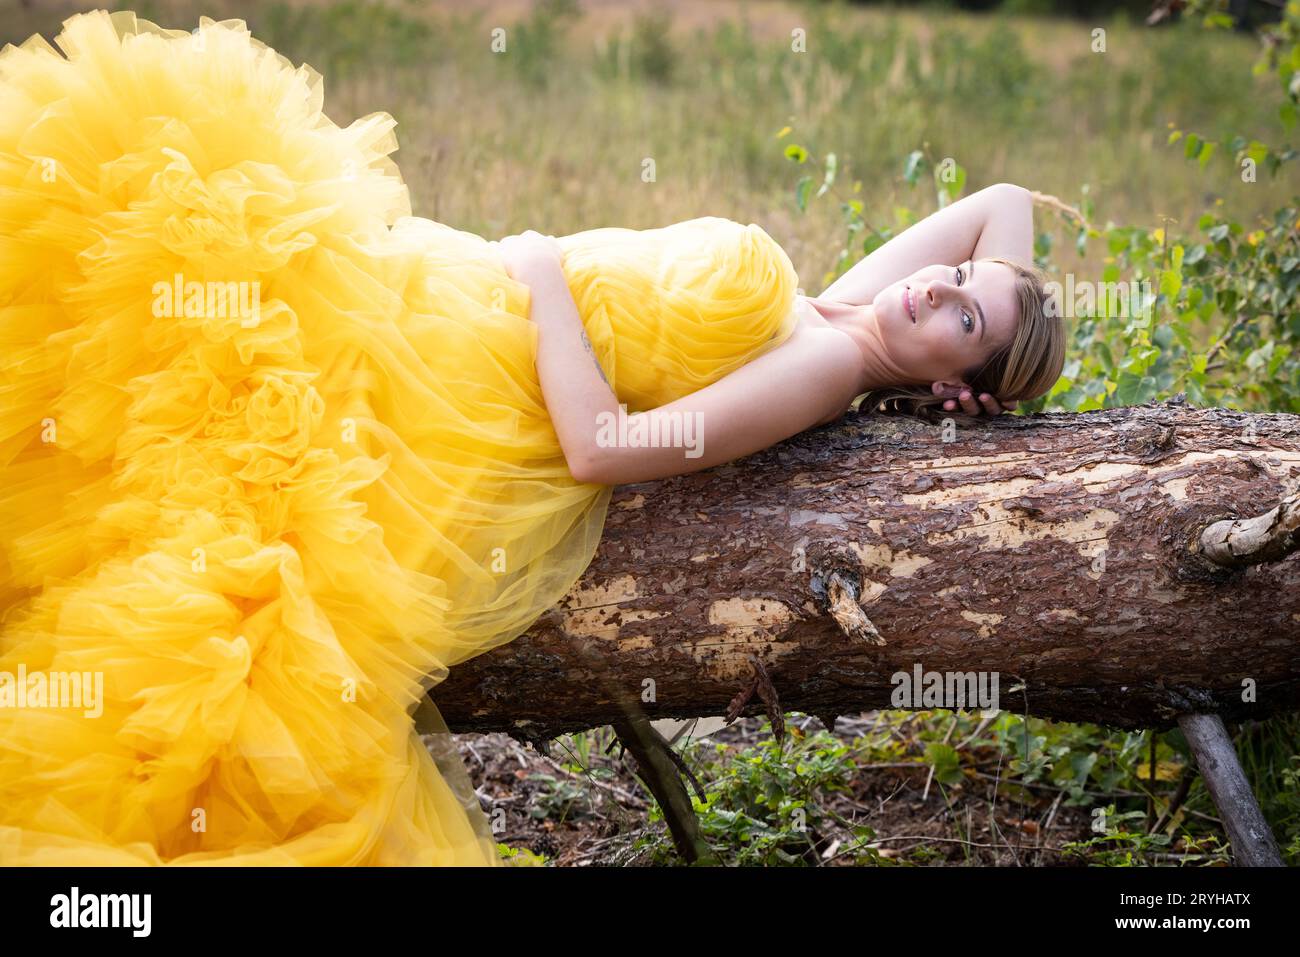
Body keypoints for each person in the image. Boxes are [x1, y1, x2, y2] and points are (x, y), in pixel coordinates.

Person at [0, 10, 1062, 866]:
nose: (937, 284)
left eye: (959, 319)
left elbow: (605, 446)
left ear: (943, 375)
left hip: (477, 388)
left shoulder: (825, 366)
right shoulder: (856, 309)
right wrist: (995, 339)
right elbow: (1005, 200)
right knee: (173, 269)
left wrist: (547, 271)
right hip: (455, 304)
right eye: (957, 278)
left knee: (209, 347)